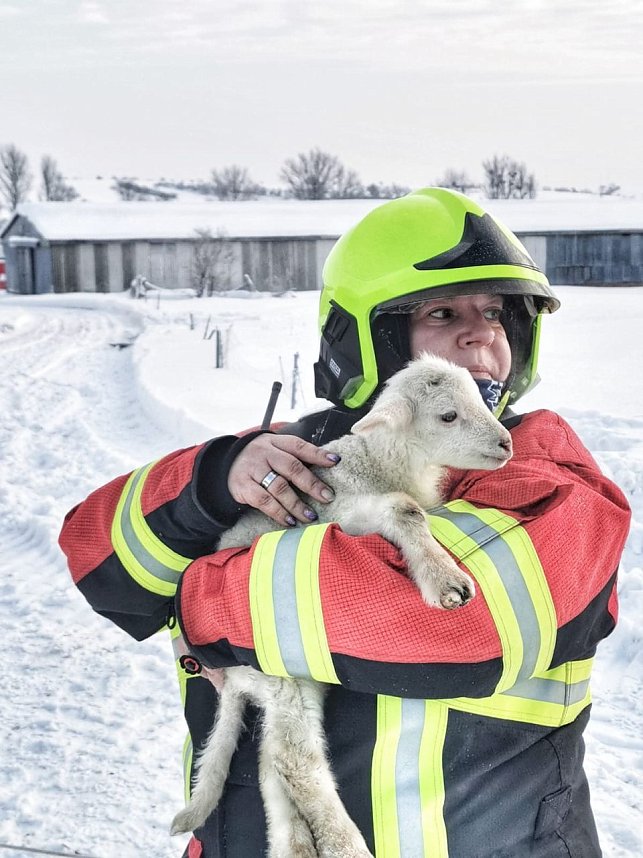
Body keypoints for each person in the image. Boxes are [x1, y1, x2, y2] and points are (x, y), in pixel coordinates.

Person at [59, 188, 631, 858]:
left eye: (496, 314)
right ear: (365, 337)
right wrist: (211, 483)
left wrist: (199, 600)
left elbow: (446, 620)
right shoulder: (294, 454)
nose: (482, 333)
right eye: (443, 312)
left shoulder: (555, 481)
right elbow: (95, 556)